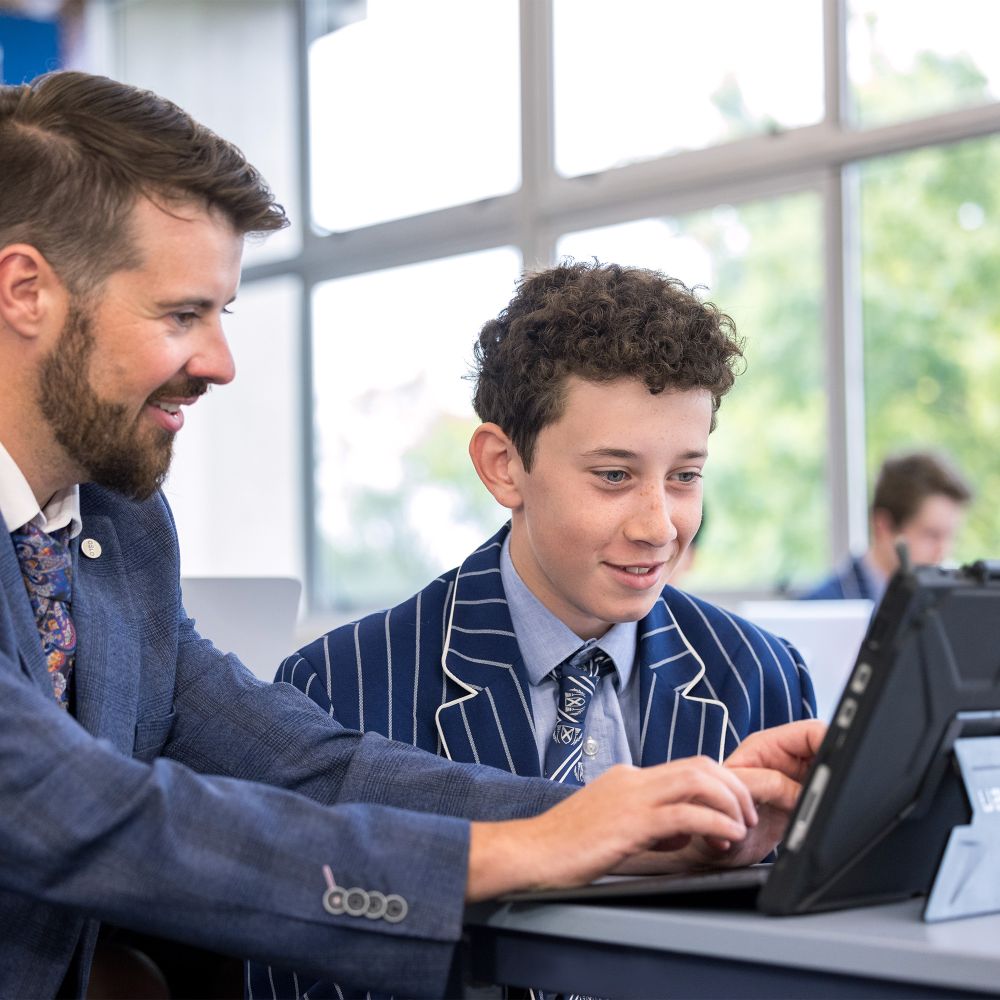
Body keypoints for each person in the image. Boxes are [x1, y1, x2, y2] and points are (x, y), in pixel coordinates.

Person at [0, 71, 824, 999]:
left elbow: (305, 767)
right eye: (182, 314)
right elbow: (74, 813)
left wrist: (639, 822)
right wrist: (521, 848)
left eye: (220, 315)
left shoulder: (121, 531)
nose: (221, 363)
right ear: (27, 290)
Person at [255, 261, 819, 996]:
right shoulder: (337, 687)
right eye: (614, 476)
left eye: (685, 476)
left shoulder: (763, 675)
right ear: (503, 467)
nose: (660, 527)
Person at [802, 450, 973, 603]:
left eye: (951, 536)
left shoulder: (945, 606)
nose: (943, 551)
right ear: (882, 527)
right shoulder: (822, 607)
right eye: (931, 535)